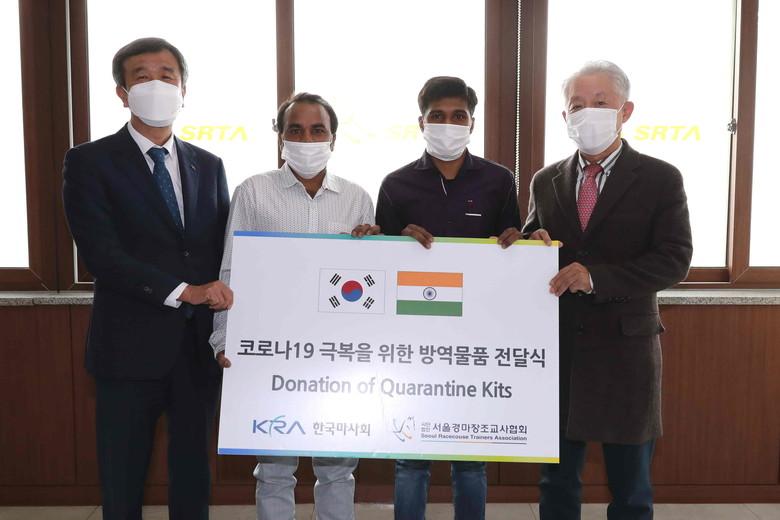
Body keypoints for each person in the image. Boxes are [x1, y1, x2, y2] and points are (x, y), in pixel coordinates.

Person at [62, 38, 233, 520]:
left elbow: (224, 251)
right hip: (128, 348)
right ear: (122, 93)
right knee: (123, 478)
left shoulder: (208, 165)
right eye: (142, 76)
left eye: (167, 75)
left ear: (183, 90)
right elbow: (101, 255)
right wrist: (184, 292)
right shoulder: (89, 161)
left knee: (193, 475)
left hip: (196, 348)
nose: (156, 84)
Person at [522, 60, 693, 520]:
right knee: (556, 481)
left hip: (626, 350)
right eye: (577, 105)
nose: (587, 113)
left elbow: (674, 258)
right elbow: (534, 239)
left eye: (600, 103)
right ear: (565, 116)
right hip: (559, 350)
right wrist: (531, 243)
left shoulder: (660, 178)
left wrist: (596, 278)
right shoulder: (545, 180)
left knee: (631, 487)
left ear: (625, 110)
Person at [211, 92, 377, 520]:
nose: (307, 140)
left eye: (317, 130)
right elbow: (232, 268)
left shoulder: (357, 198)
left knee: (338, 469)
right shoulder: (253, 191)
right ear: (280, 137)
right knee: (273, 470)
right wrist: (224, 339)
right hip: (272, 352)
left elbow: (369, 278)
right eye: (296, 130)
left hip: (337, 355)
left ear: (333, 138)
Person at [376, 76, 523, 520]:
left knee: (470, 459)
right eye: (437, 116)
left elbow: (513, 251)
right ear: (421, 122)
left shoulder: (499, 180)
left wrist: (518, 243)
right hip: (412, 340)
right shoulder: (396, 184)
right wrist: (394, 241)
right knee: (410, 457)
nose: (448, 124)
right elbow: (379, 265)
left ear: (472, 123)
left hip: (477, 339)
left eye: (458, 116)